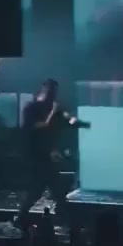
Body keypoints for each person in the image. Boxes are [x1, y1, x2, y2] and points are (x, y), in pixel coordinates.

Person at [14, 79, 79, 229]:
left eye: (55, 92)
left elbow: (63, 122)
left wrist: (73, 120)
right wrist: (53, 112)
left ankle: (24, 216)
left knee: (46, 188)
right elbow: (41, 127)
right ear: (44, 90)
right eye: (51, 92)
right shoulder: (31, 108)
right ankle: (62, 217)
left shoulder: (51, 108)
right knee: (48, 188)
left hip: (45, 155)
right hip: (35, 155)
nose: (54, 95)